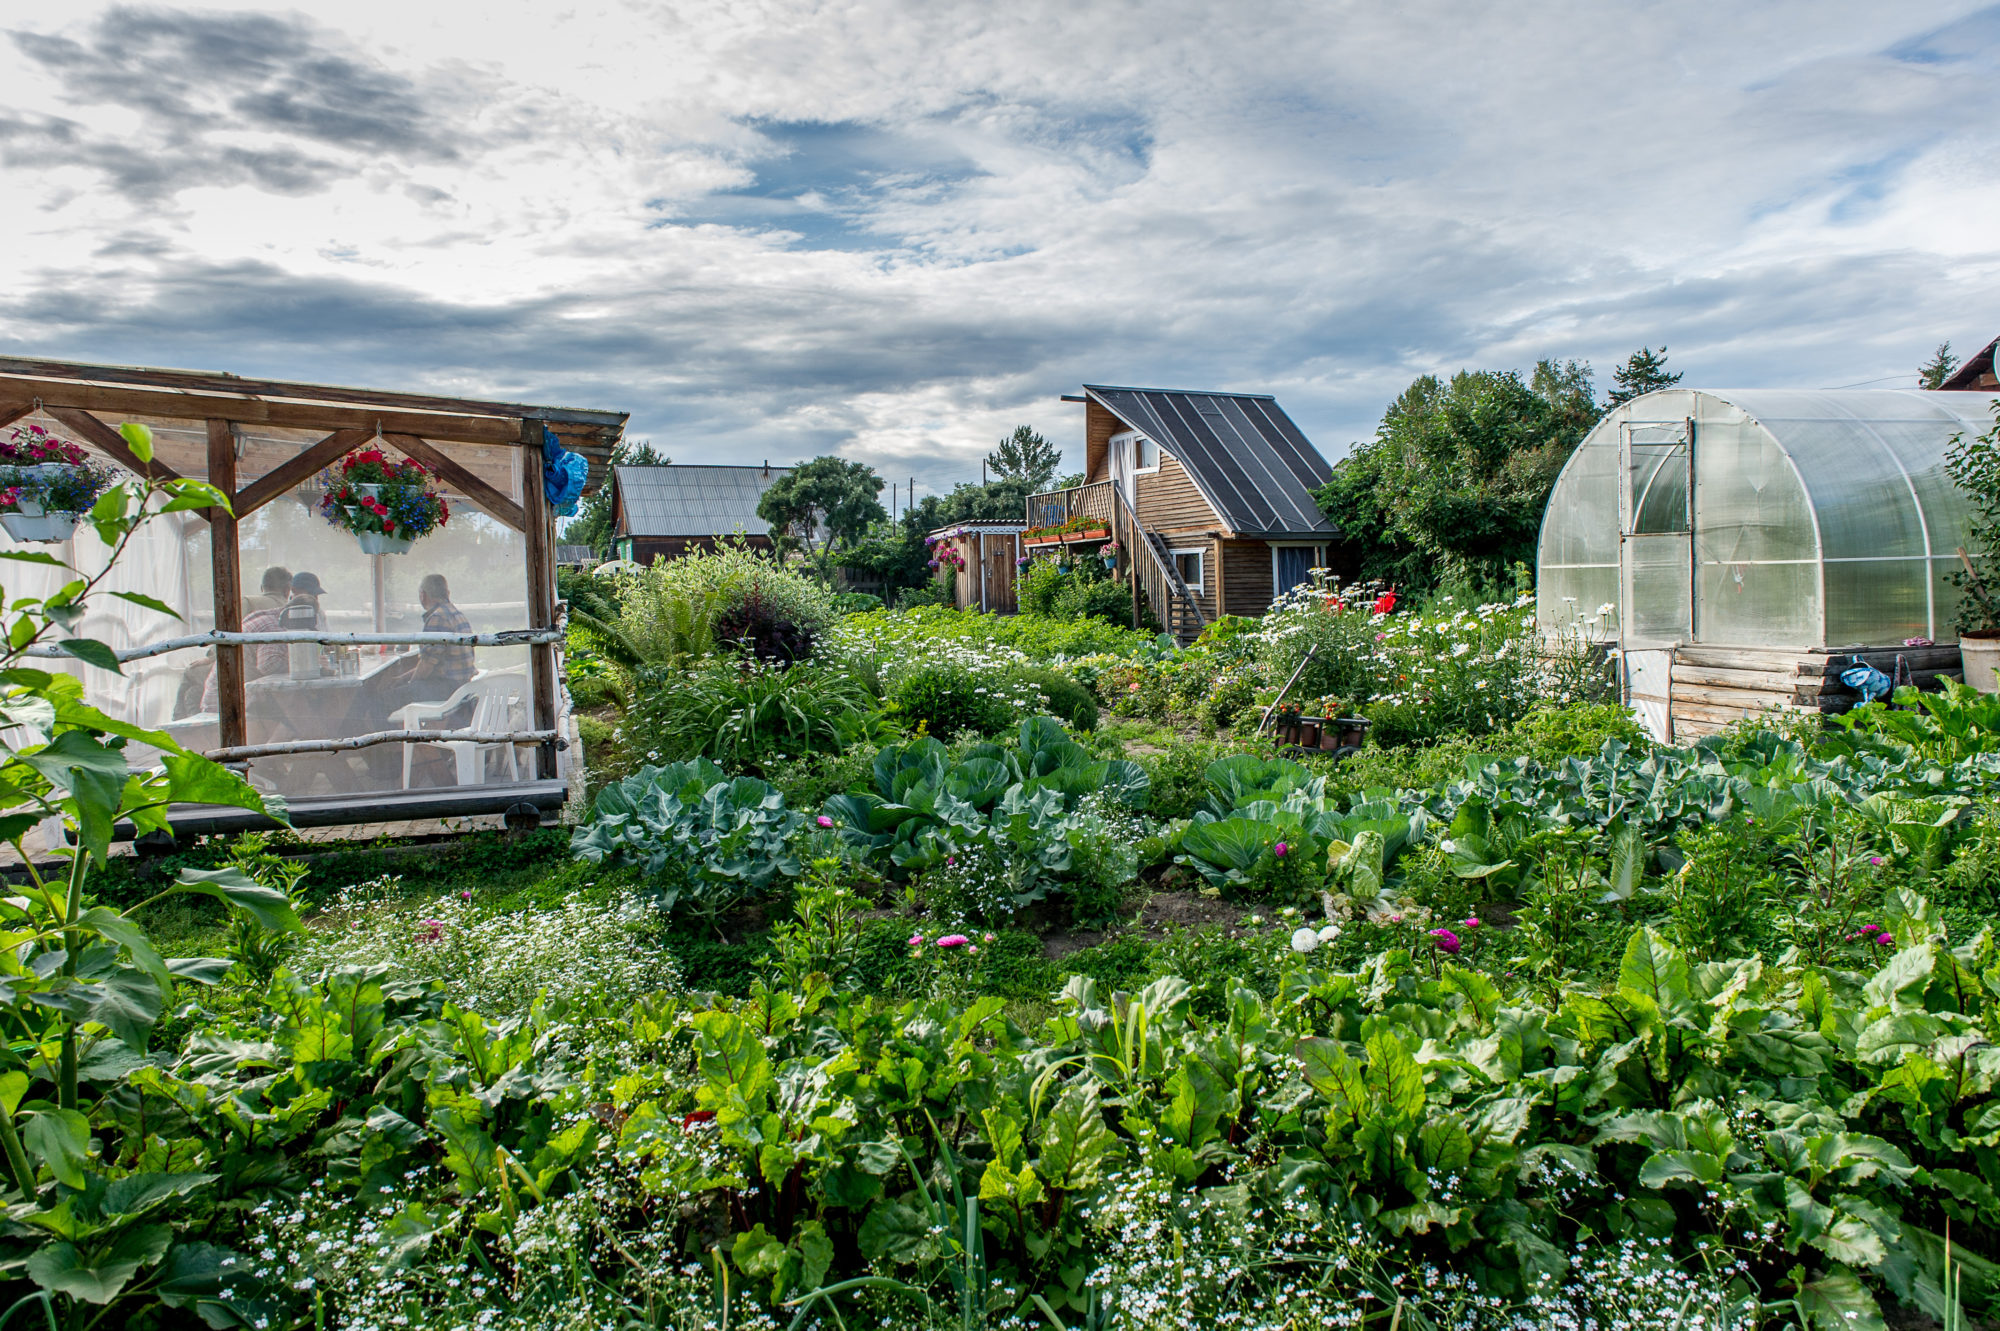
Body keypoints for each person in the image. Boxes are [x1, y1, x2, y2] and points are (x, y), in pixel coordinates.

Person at [380, 573, 477, 720]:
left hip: (446, 689)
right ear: (447, 593)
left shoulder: (437, 618)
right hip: (461, 686)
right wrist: (401, 679)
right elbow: (433, 661)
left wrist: (409, 684)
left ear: (422, 595)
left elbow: (426, 665)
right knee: (396, 690)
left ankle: (384, 741)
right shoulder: (457, 615)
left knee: (380, 701)